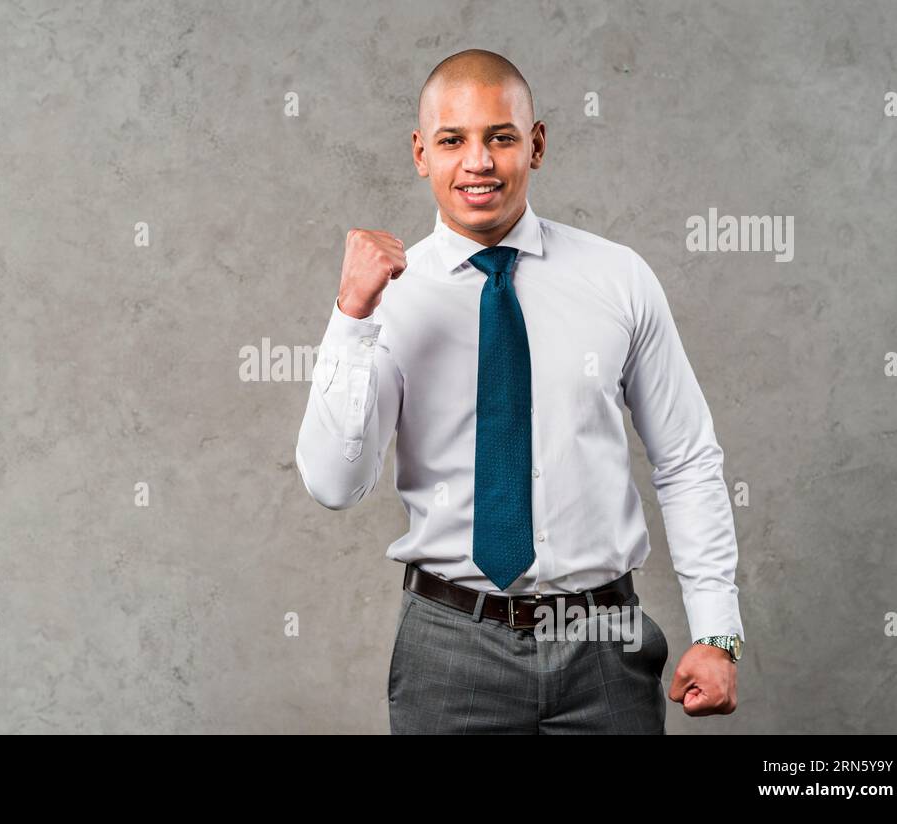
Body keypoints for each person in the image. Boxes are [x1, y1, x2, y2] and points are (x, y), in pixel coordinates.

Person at [294, 49, 743, 734]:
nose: (478, 162)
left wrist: (717, 632)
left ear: (535, 145)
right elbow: (332, 483)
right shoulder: (386, 301)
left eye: (500, 137)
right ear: (421, 153)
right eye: (453, 140)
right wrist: (350, 317)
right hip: (449, 651)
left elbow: (685, 459)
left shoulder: (617, 279)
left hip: (604, 646)